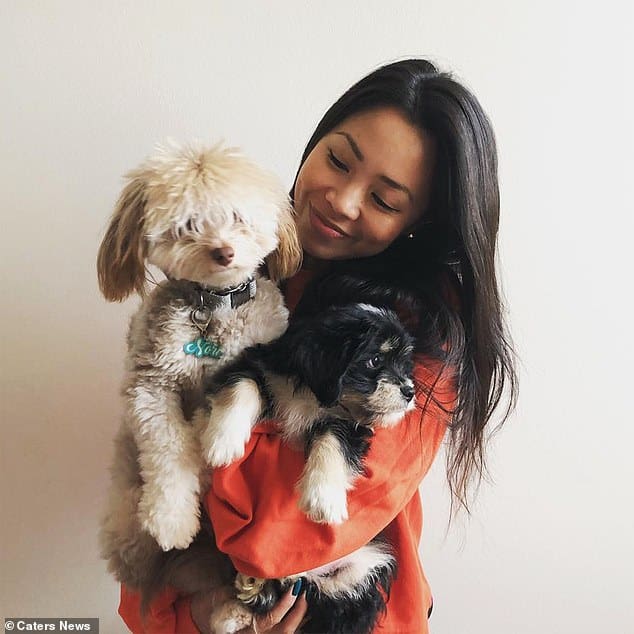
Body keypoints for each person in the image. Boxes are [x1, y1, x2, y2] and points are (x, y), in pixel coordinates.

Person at [117, 58, 517, 633]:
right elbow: (148, 486)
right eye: (338, 161)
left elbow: (278, 533)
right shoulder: (237, 257)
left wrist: (196, 431)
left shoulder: (419, 331)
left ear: (418, 222)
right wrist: (189, 613)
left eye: (384, 200)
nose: (343, 200)